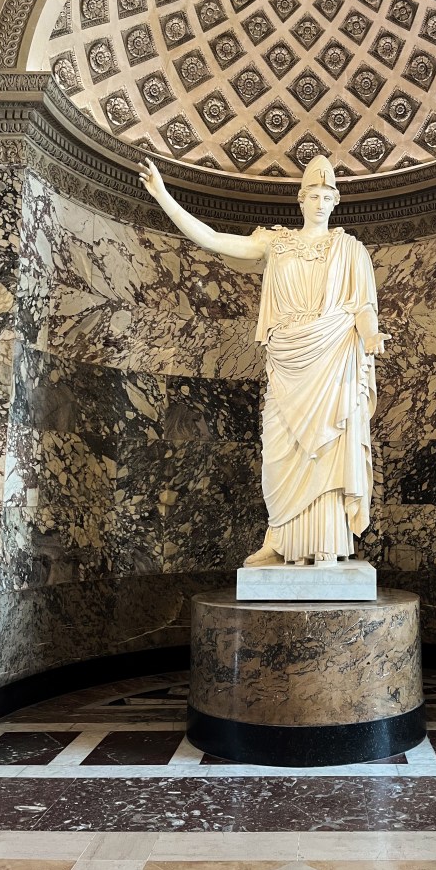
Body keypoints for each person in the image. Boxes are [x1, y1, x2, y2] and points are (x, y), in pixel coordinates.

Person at [138, 154, 389, 567]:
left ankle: (324, 544)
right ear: (300, 199)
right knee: (278, 453)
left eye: (328, 194)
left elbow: (363, 306)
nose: (320, 201)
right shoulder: (276, 242)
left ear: (336, 199)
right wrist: (164, 195)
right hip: (288, 362)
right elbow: (215, 240)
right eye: (313, 194)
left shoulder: (350, 249)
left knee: (326, 447)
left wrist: (371, 335)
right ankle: (280, 538)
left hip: (331, 359)